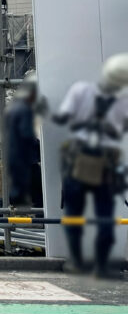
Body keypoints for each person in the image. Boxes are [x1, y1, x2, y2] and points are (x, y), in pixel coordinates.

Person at [52, 53, 128, 277]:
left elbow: (62, 118)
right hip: (105, 161)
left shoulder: (81, 90)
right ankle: (102, 266)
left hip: (79, 158)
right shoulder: (123, 101)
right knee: (105, 213)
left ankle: (75, 262)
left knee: (75, 212)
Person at [3, 71, 43, 210]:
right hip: (27, 161)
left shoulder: (15, 106)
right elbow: (27, 135)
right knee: (38, 196)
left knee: (17, 196)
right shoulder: (25, 109)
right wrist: (42, 149)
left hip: (16, 159)